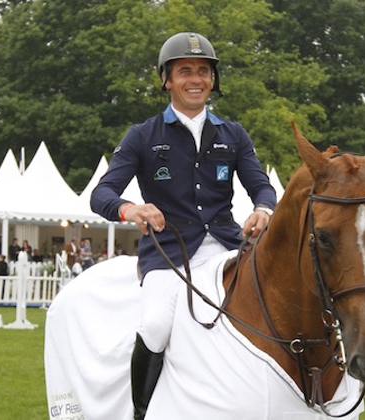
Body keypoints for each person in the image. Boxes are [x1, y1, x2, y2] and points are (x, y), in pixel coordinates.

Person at [90, 31, 276, 420]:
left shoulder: (234, 134)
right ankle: (142, 412)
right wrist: (130, 209)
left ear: (213, 80)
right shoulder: (142, 135)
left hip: (226, 244)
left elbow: (261, 184)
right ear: (167, 80)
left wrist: (263, 209)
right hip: (169, 252)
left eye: (203, 71)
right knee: (156, 325)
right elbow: (102, 193)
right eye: (185, 71)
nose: (196, 78)